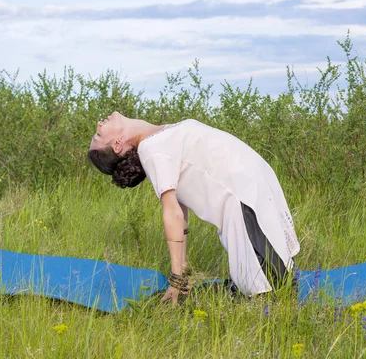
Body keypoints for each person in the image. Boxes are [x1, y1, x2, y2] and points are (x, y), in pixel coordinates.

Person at [87, 111, 300, 304]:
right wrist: (177, 276)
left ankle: (256, 291)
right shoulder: (150, 149)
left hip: (251, 186)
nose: (98, 124)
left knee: (275, 285)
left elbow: (181, 207)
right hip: (243, 199)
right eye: (98, 136)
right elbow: (172, 212)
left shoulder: (160, 134)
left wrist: (184, 263)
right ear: (117, 145)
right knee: (273, 292)